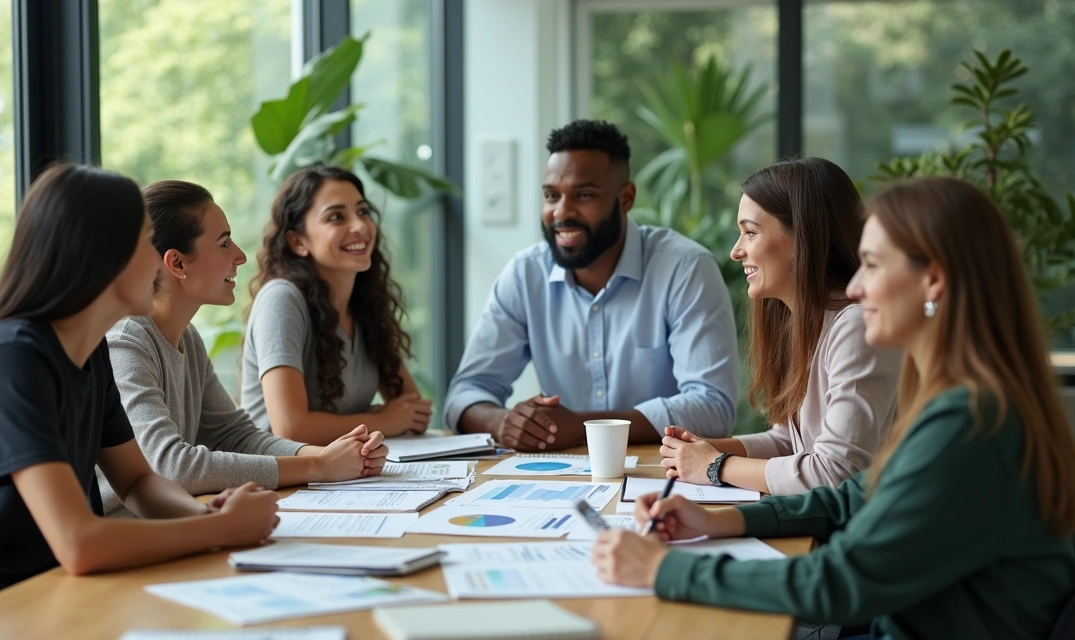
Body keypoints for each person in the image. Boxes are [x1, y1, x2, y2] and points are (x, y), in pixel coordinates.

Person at [592, 177, 1075, 640]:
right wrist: (721, 520)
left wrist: (664, 568)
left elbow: (841, 585)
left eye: (873, 264)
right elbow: (848, 498)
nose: (857, 286)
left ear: (932, 282)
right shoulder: (962, 401)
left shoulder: (970, 422)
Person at [0, 165, 281, 639]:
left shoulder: (89, 350)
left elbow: (139, 480)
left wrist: (205, 516)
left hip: (34, 590)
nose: (159, 263)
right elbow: (78, 542)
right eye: (146, 244)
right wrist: (221, 531)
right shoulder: (12, 357)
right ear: (101, 256)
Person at [97, 180, 387, 517]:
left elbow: (234, 435)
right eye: (224, 244)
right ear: (177, 264)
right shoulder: (125, 343)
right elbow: (172, 466)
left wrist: (334, 455)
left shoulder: (186, 337)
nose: (240, 255)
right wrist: (317, 466)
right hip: (124, 543)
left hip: (167, 531)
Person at [444, 119, 739, 451]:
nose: (562, 212)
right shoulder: (526, 275)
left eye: (584, 195)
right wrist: (503, 422)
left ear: (625, 198)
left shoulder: (685, 269)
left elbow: (714, 407)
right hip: (560, 476)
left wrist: (587, 428)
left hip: (663, 474)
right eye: (551, 195)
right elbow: (465, 393)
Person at [660, 158, 901, 495]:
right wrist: (704, 449)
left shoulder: (858, 326)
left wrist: (715, 466)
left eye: (750, 232)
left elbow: (838, 471)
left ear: (804, 236)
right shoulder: (801, 321)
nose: (736, 251)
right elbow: (788, 441)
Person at [240, 166, 432, 446]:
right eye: (336, 217)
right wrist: (381, 420)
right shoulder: (281, 299)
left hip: (340, 479)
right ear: (297, 241)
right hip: (277, 482)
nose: (360, 226)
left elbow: (412, 412)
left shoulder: (365, 306)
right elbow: (290, 428)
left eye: (363, 212)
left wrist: (387, 418)